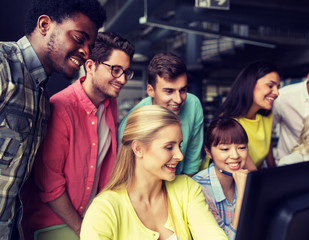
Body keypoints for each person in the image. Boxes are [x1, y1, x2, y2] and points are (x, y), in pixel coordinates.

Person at [0, 0, 106, 239]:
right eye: (79, 38)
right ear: (45, 24)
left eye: (90, 45)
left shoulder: (42, 99)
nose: (86, 51)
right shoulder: (3, 66)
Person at [20, 32, 135, 240]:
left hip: (90, 216)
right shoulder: (61, 107)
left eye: (127, 72)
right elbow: (50, 184)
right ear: (90, 66)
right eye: (116, 70)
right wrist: (82, 229)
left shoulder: (110, 103)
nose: (123, 79)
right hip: (54, 222)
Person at [80, 105, 228, 240]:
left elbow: (212, 235)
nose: (180, 156)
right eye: (169, 147)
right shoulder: (104, 209)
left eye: (179, 146)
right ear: (138, 149)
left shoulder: (187, 189)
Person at [118, 52, 204, 175]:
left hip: (180, 183)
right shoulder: (131, 123)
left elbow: (192, 164)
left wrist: (183, 193)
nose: (178, 99)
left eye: (183, 90)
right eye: (169, 91)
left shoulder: (193, 104)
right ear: (151, 91)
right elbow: (127, 173)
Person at [193, 118, 249, 240]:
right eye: (225, 149)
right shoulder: (198, 188)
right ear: (208, 152)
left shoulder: (248, 179)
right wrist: (242, 195)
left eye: (242, 147)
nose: (235, 155)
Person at [217, 60, 280, 169]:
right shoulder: (230, 122)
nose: (277, 92)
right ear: (250, 84)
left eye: (277, 87)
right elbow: (250, 170)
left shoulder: (266, 116)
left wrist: (274, 170)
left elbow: (266, 145)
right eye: (270, 86)